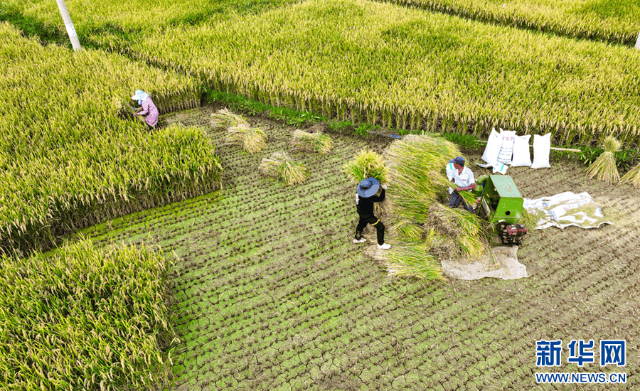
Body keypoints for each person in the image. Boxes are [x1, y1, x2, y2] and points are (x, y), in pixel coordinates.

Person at [353, 177, 391, 250]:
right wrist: (383, 189)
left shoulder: (358, 192)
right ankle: (381, 244)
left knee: (362, 224)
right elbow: (380, 199)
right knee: (380, 226)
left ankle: (357, 238)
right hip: (368, 215)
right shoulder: (367, 197)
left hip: (360, 211)